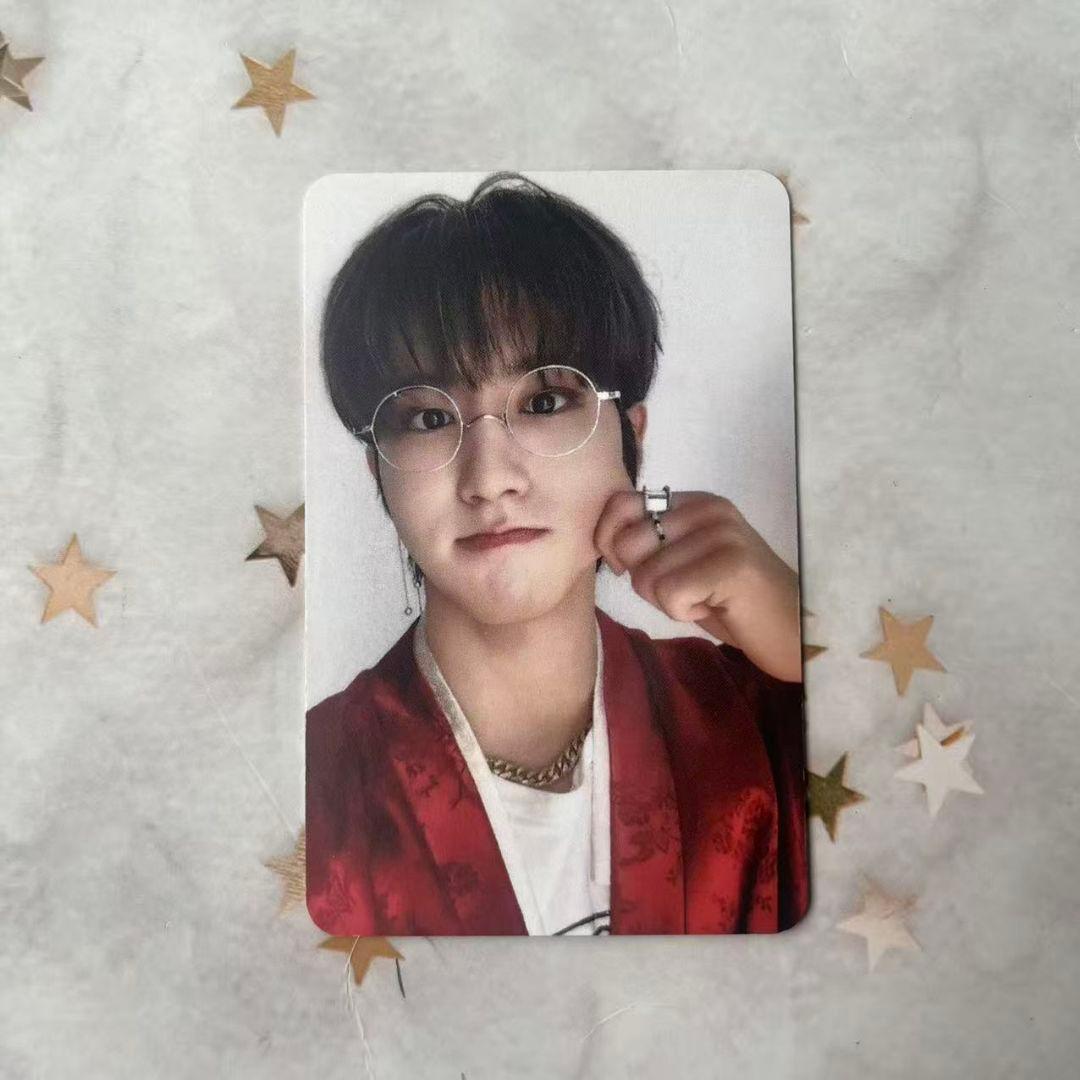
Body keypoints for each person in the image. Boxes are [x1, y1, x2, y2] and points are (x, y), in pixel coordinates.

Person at [306, 171, 809, 937]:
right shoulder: (305, 784)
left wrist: (816, 643)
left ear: (630, 437)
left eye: (543, 403)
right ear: (378, 469)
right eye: (428, 418)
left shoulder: (763, 721)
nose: (490, 480)